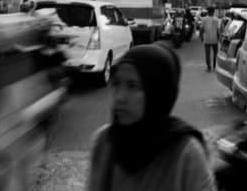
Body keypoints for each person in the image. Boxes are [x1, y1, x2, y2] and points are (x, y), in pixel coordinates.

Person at [87, 45, 215, 191]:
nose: (120, 97)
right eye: (116, 84)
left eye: (132, 86)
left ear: (157, 94)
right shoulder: (105, 142)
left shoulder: (186, 154)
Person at [199, 7, 220, 71]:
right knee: (215, 53)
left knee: (207, 54)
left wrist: (201, 37)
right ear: (213, 12)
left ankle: (208, 67)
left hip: (207, 39)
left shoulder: (204, 19)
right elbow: (218, 30)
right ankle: (214, 66)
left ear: (208, 12)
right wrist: (219, 38)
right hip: (214, 39)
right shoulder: (216, 19)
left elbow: (201, 29)